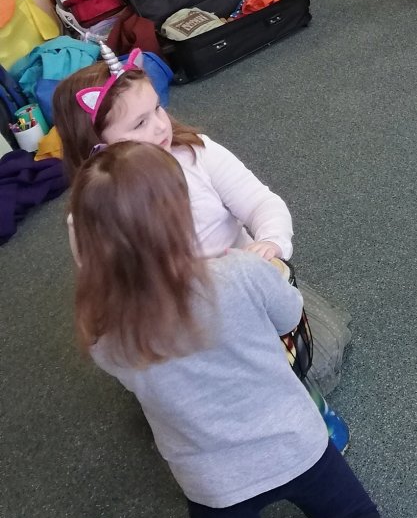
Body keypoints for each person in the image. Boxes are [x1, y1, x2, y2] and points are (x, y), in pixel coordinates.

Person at [72, 141, 407, 518]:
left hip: (213, 483)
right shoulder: (237, 273)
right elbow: (292, 313)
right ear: (179, 213)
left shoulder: (106, 338)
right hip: (295, 446)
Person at [53, 48, 351, 450]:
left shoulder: (198, 154)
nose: (160, 126)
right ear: (97, 149)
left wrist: (270, 243)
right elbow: (112, 295)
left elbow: (262, 203)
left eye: (157, 108)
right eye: (140, 123)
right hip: (172, 320)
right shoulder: (88, 218)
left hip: (242, 293)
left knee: (312, 359)